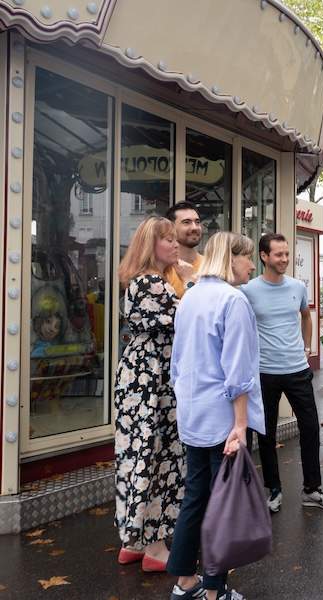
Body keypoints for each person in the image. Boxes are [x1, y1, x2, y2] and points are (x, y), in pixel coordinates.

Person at [167, 232, 265, 600]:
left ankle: (185, 582)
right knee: (223, 505)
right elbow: (238, 369)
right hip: (224, 417)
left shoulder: (190, 297)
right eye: (247, 258)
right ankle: (215, 591)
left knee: (195, 497)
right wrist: (240, 425)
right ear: (231, 258)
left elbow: (178, 362)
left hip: (193, 413)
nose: (252, 266)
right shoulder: (232, 300)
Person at [241, 233, 323, 512]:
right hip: (264, 373)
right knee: (266, 433)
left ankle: (312, 489)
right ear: (263, 257)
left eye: (286, 254)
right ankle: (274, 490)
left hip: (297, 370)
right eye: (278, 254)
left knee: (310, 428)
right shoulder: (248, 291)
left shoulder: (297, 286)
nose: (284, 259)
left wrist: (307, 349)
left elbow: (306, 316)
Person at [114, 216, 183, 572]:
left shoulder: (141, 282)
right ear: (150, 245)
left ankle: (133, 540)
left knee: (137, 453)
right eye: (168, 240)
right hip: (154, 378)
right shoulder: (154, 284)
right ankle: (155, 547)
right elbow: (185, 320)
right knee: (158, 456)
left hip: (139, 376)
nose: (174, 245)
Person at [165, 201, 204, 298]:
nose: (195, 227)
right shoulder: (163, 268)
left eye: (197, 222)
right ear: (171, 228)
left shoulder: (210, 266)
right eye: (186, 222)